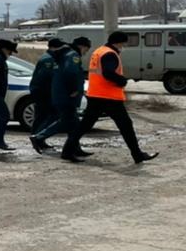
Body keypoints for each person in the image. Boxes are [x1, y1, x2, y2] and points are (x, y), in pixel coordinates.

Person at [60, 30, 159, 164]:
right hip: (109, 96)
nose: (124, 46)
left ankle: (67, 151)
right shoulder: (109, 54)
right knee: (126, 126)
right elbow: (108, 73)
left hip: (95, 94)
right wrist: (122, 80)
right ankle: (137, 154)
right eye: (123, 43)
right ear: (118, 42)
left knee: (85, 125)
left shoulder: (99, 51)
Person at [31, 37, 91, 154]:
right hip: (66, 96)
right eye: (86, 49)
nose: (85, 53)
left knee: (73, 124)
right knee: (65, 121)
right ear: (81, 46)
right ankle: (38, 137)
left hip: (62, 95)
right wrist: (73, 89)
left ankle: (74, 149)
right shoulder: (73, 55)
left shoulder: (66, 55)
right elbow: (70, 72)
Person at [28, 38, 65, 136]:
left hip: (44, 92)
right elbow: (46, 78)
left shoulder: (51, 58)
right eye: (61, 47)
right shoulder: (48, 59)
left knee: (44, 116)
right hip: (43, 93)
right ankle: (37, 137)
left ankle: (38, 137)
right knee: (43, 116)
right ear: (54, 48)